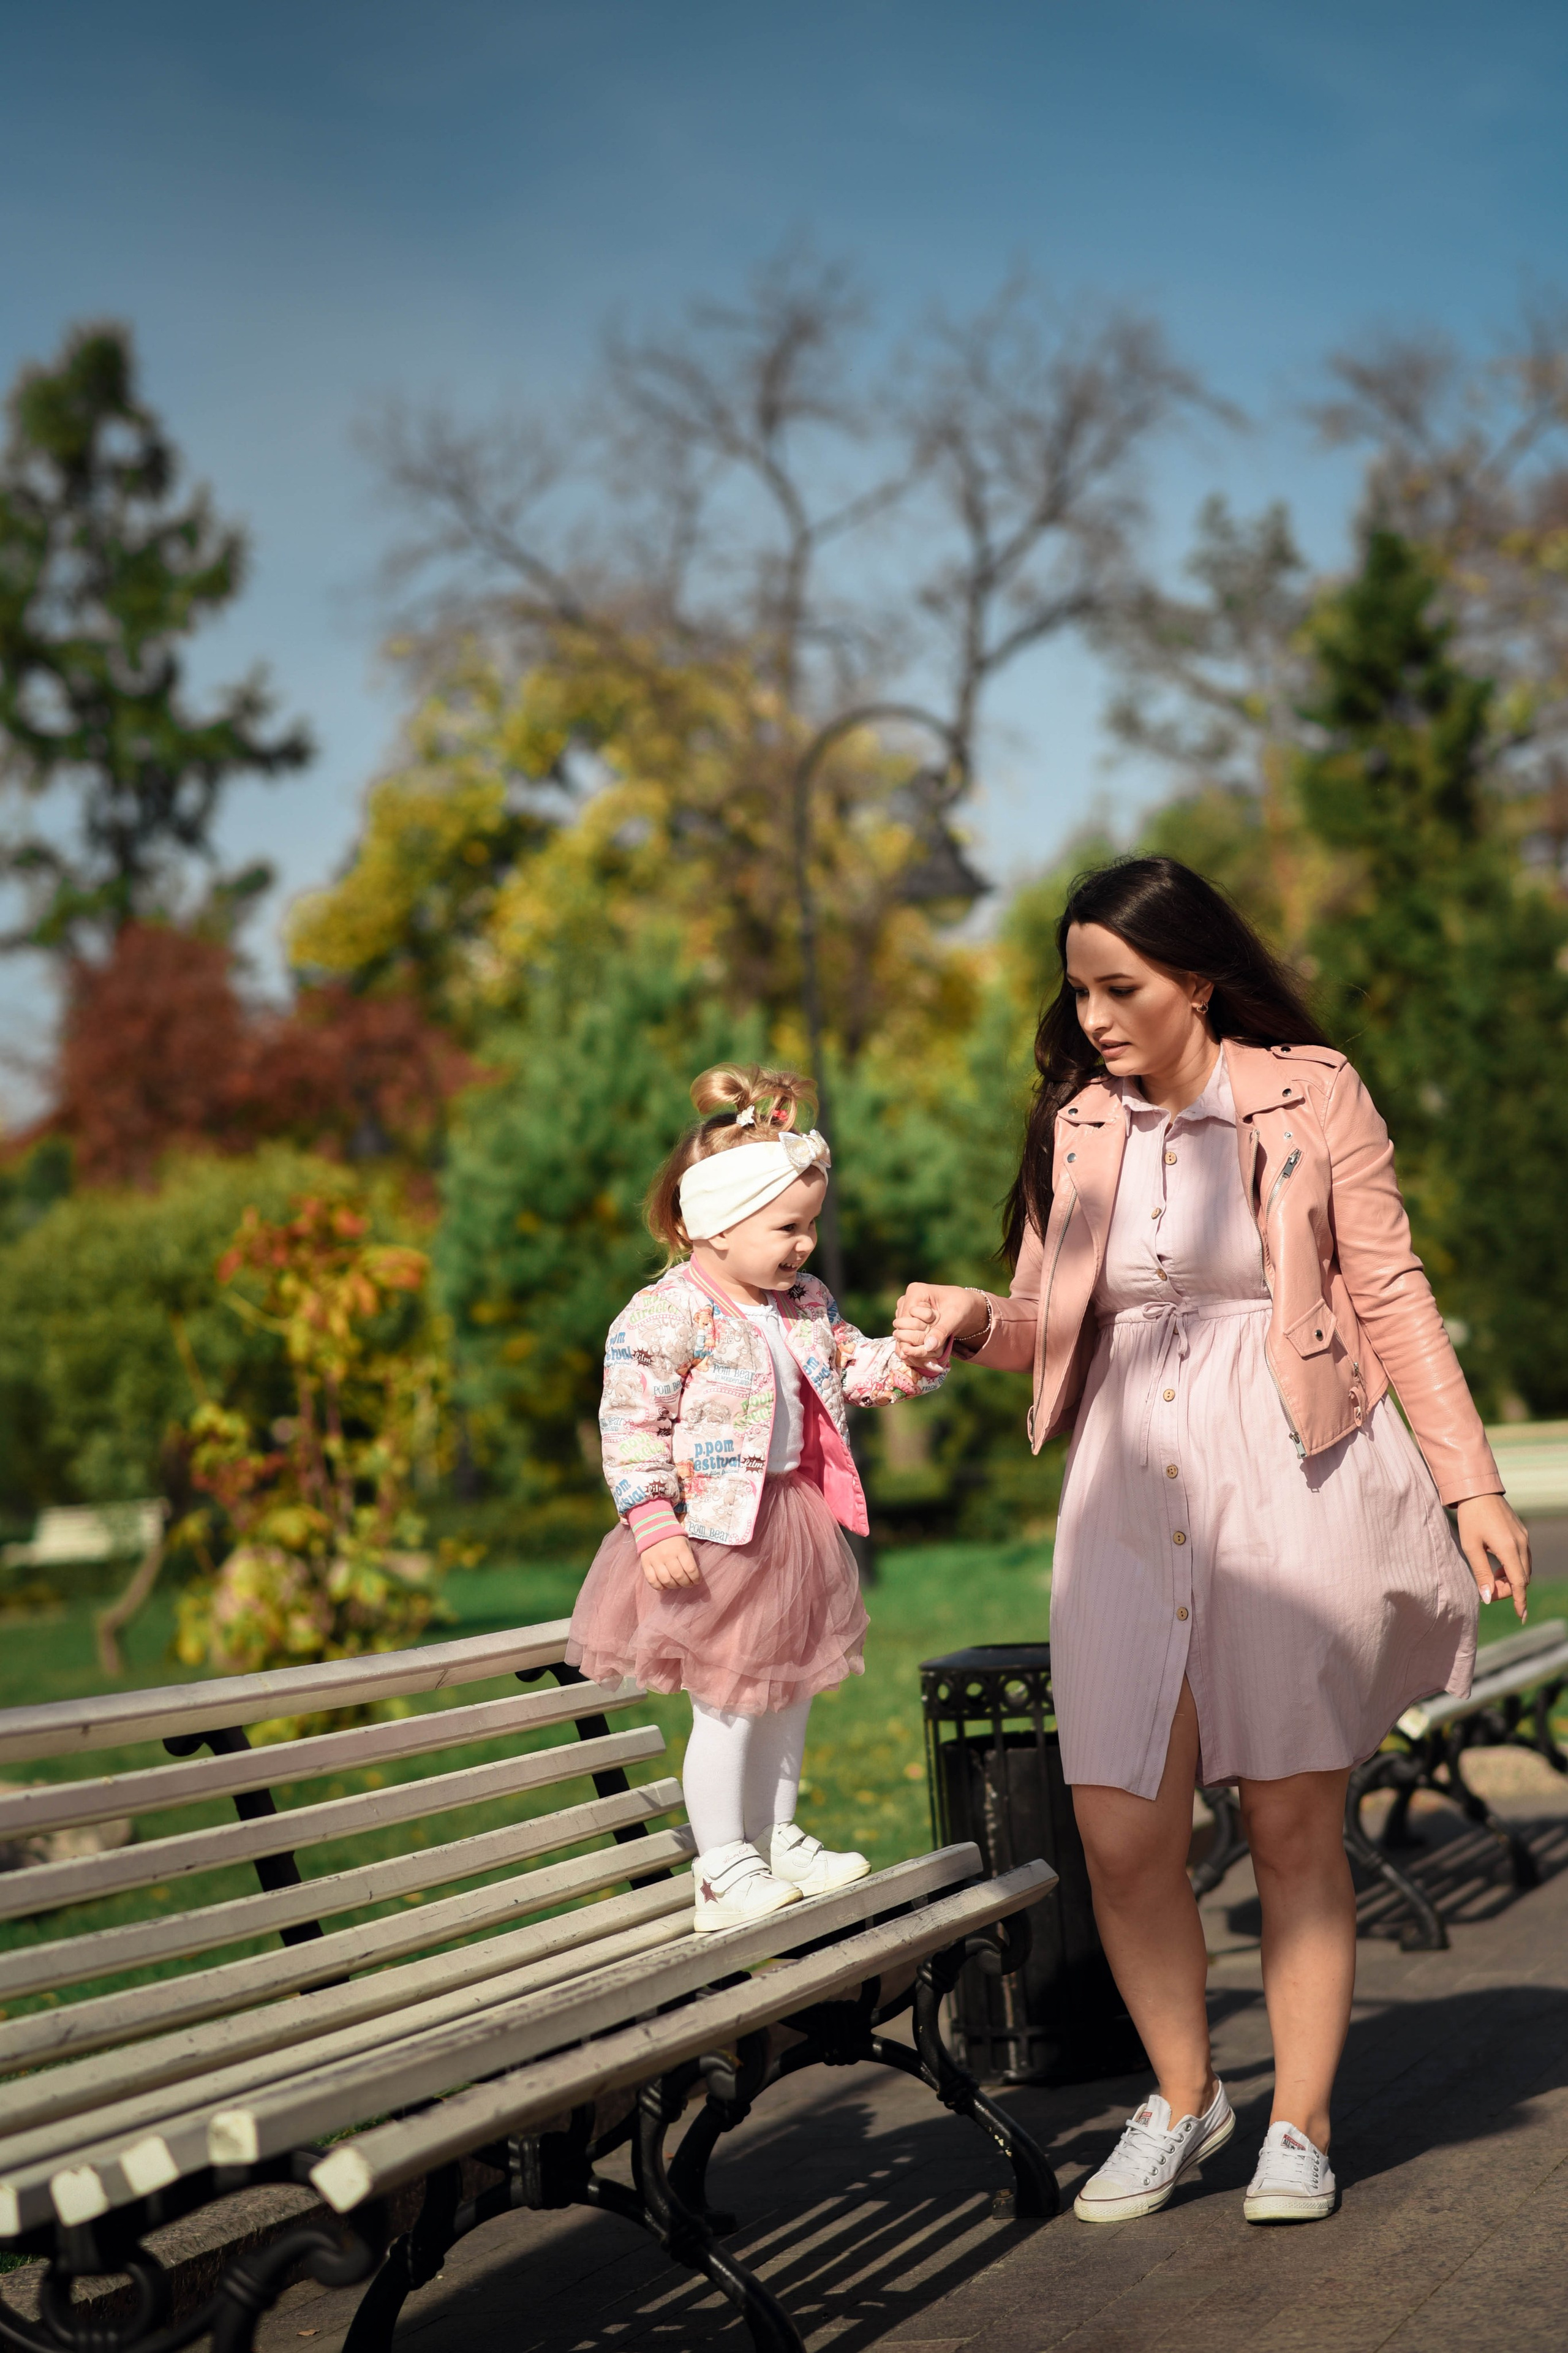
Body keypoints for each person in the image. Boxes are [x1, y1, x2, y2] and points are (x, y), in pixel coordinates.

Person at [893, 856, 1529, 2227]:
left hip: (1287, 1469)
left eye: (1118, 986)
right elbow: (1044, 1321)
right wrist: (967, 1318)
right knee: (1119, 1832)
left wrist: (1469, 1485)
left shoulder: (1310, 1088)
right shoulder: (1074, 1123)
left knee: (1290, 1819)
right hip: (1123, 1493)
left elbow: (1394, 1290)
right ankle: (1184, 2098)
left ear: (1193, 975)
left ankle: (1295, 2122)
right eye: (1077, 989)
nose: (1095, 1014)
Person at [569, 1062, 944, 1933]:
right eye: (788, 1227)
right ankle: (720, 1861)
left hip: (789, 1524)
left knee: (789, 1694)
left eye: (811, 1225)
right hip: (709, 1535)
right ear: (715, 1224)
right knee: (731, 1702)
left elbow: (852, 1366)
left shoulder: (804, 1302)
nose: (805, 1245)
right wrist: (652, 1518)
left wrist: (916, 1355)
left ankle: (775, 1837)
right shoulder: (666, 1315)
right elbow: (630, 1424)